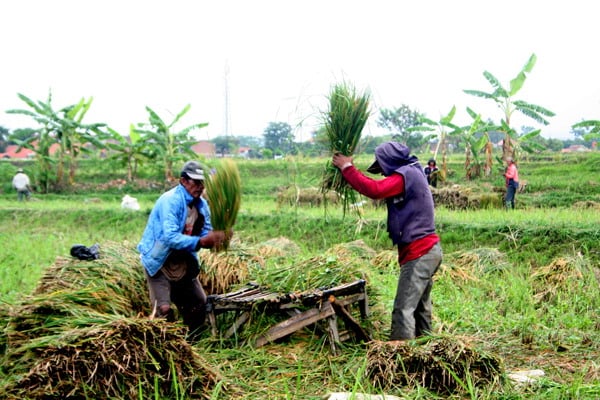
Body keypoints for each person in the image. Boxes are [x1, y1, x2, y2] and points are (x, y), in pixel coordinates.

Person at [332, 142, 442, 341]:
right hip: (427, 251)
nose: (382, 173)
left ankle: (401, 358)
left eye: (382, 168)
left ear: (390, 162)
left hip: (420, 253)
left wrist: (347, 168)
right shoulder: (413, 173)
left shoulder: (406, 175)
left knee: (403, 309)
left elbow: (375, 189)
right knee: (419, 308)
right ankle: (426, 350)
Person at [137, 160, 231, 339]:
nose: (200, 187)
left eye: (202, 183)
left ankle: (192, 343)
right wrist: (202, 241)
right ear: (183, 181)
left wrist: (219, 236)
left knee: (198, 303)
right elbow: (170, 237)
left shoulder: (202, 206)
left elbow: (206, 232)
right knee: (163, 309)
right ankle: (164, 345)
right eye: (196, 182)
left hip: (183, 262)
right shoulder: (170, 201)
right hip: (160, 261)